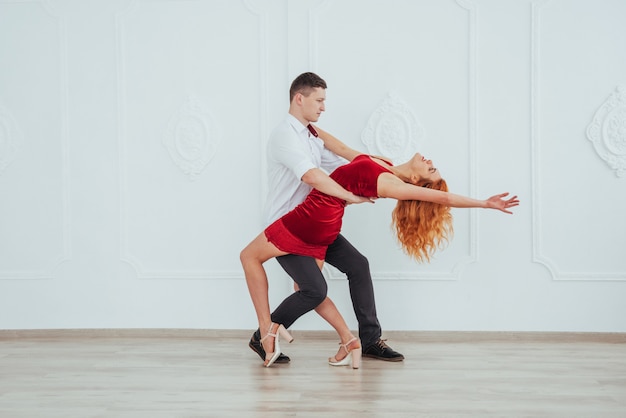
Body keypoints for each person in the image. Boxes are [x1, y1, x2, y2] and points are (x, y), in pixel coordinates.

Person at [241, 141, 519, 367]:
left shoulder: (392, 185)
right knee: (334, 276)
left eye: (431, 170)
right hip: (323, 221)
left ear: (413, 180)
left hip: (317, 223)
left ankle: (365, 340)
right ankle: (278, 334)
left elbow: (444, 199)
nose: (432, 163)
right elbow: (344, 150)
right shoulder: (383, 162)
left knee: (334, 277)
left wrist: (485, 203)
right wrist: (310, 128)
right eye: (434, 167)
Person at [247, 72, 405, 366]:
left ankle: (369, 340)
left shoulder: (312, 137)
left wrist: (400, 174)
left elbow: (347, 166)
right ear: (299, 98)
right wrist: (352, 196)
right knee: (314, 289)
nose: (323, 107)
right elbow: (311, 176)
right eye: (319, 100)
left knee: (358, 265)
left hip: (315, 223)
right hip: (286, 228)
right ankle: (263, 334)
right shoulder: (284, 135)